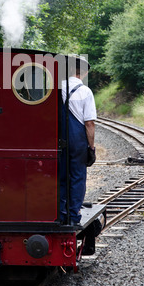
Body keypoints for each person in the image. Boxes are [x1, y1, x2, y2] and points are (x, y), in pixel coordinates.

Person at [60, 56, 97, 225]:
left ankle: (59, 213)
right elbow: (89, 123)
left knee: (59, 175)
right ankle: (73, 215)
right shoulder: (85, 91)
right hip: (77, 139)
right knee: (77, 176)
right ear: (83, 72)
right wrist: (91, 147)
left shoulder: (57, 88)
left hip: (57, 137)